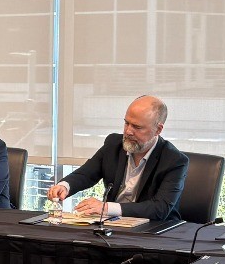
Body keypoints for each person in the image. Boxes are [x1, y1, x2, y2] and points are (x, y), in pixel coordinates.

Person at [46, 95, 187, 221]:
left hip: (153, 231)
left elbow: (160, 208)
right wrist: (65, 186)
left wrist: (107, 208)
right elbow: (87, 174)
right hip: (113, 225)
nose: (128, 131)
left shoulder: (174, 160)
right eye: (126, 123)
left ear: (158, 129)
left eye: (137, 127)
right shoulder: (114, 144)